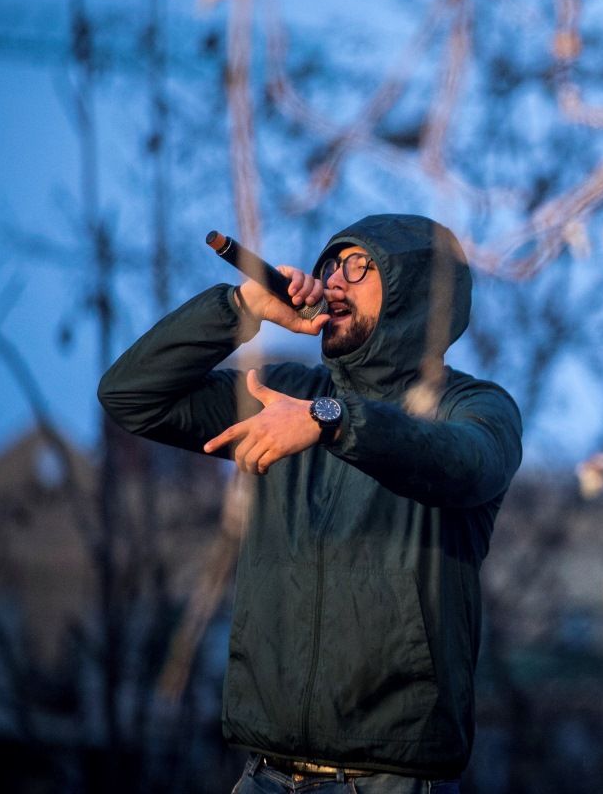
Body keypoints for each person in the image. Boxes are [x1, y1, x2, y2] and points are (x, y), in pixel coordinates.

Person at [98, 213, 522, 792]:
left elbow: (467, 463)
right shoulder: (285, 396)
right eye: (329, 266)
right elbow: (130, 396)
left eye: (358, 267)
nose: (333, 282)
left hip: (387, 780)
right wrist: (238, 312)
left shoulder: (472, 406)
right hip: (263, 773)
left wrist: (332, 422)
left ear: (415, 290)